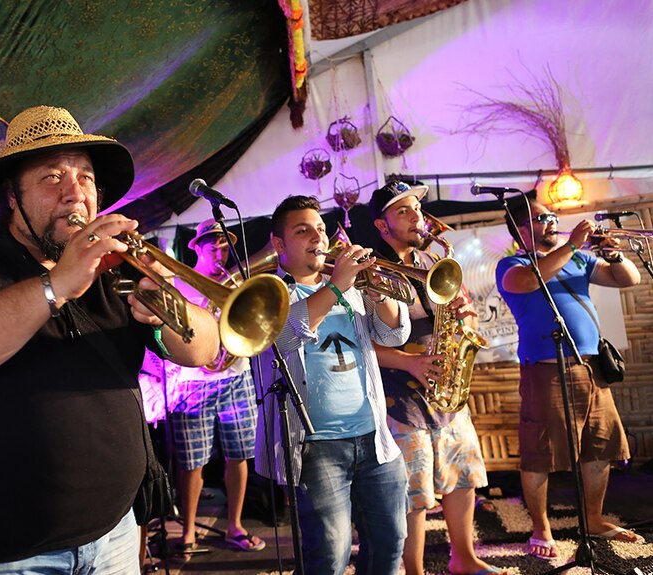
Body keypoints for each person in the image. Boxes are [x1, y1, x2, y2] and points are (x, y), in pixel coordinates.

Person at [0, 105, 219, 574]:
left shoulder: (117, 270)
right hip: (11, 551)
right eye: (53, 177)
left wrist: (162, 307)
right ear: (11, 196)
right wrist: (57, 285)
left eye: (86, 178)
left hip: (116, 533)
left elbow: (205, 350)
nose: (76, 194)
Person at [254, 195, 411, 575]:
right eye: (302, 230)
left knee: (390, 543)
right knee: (329, 555)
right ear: (279, 244)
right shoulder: (268, 293)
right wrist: (339, 286)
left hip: (375, 439)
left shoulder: (351, 288)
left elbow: (394, 335)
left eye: (321, 229)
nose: (317, 237)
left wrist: (380, 295)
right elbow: (285, 335)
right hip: (316, 448)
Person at [365, 181, 505, 575]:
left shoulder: (432, 263)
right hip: (399, 396)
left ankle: (464, 557)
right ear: (381, 225)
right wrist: (408, 362)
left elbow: (467, 312)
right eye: (403, 211)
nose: (416, 217)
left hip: (445, 391)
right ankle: (414, 570)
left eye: (417, 209)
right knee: (413, 492)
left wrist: (467, 315)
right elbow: (360, 343)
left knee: (462, 477)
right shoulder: (372, 270)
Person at [495, 198, 643, 558]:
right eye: (541, 217)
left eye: (552, 216)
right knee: (540, 451)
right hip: (545, 370)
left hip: (591, 367)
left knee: (601, 445)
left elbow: (628, 279)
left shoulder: (577, 258)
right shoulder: (511, 265)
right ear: (520, 227)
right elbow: (530, 281)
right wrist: (573, 243)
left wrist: (614, 256)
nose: (551, 222)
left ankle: (592, 519)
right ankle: (540, 526)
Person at [166, 219, 265, 553]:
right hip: (192, 385)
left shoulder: (237, 283)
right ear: (196, 247)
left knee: (239, 456)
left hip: (235, 377)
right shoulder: (182, 284)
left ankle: (235, 525)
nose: (221, 251)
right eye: (213, 244)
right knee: (191, 463)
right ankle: (189, 531)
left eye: (225, 245)